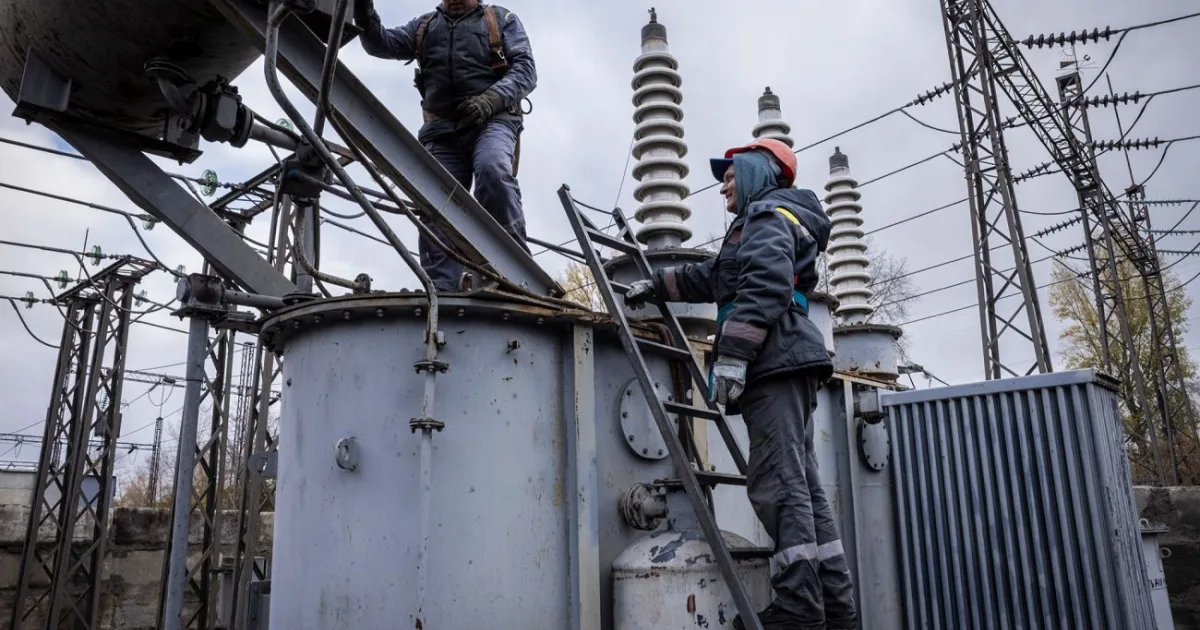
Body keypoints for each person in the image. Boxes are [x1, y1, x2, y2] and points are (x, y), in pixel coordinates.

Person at [623, 138, 858, 630]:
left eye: (730, 175)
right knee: (804, 486)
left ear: (757, 170)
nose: (723, 185)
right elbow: (715, 276)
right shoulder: (764, 222)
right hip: (789, 360)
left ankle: (798, 608)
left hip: (773, 361)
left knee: (778, 483)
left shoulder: (767, 217)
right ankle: (834, 605)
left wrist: (731, 356)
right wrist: (658, 285)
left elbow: (765, 284)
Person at [354, 0, 536, 291]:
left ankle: (515, 274)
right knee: (434, 198)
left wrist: (491, 100)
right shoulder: (425, 27)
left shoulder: (501, 19)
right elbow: (382, 44)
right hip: (441, 131)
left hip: (492, 121)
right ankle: (442, 285)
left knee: (492, 171)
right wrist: (364, 14)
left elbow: (525, 70)